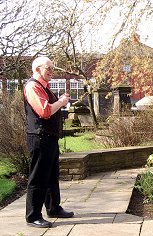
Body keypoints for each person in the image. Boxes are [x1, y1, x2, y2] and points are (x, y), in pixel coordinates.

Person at [24, 56, 74, 228]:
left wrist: (59, 100)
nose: (52, 71)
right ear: (37, 69)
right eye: (49, 68)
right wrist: (61, 102)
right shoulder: (33, 86)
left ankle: (53, 208)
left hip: (49, 137)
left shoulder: (45, 88)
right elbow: (44, 111)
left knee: (52, 176)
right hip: (39, 137)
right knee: (38, 177)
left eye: (53, 68)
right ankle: (33, 216)